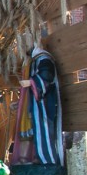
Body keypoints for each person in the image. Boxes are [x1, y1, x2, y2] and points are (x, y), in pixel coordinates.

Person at [11, 33, 63, 166]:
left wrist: (31, 82)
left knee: (41, 131)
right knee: (27, 132)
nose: (22, 48)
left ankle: (43, 159)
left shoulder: (43, 58)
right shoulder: (30, 61)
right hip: (31, 105)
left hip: (43, 105)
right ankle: (24, 159)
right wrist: (20, 103)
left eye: (24, 44)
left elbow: (47, 76)